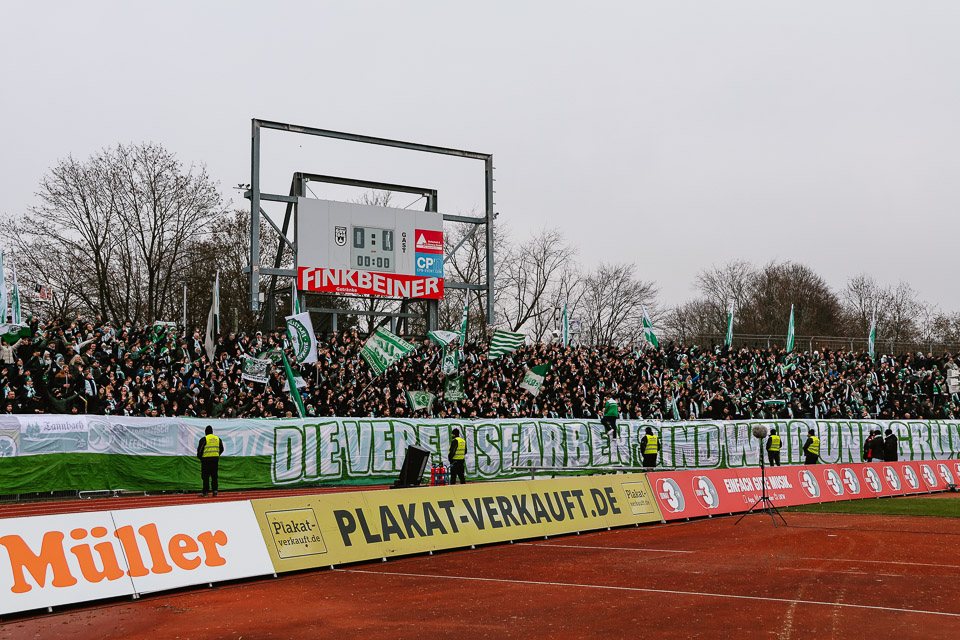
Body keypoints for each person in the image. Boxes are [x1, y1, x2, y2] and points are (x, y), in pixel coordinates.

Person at [197, 424, 223, 497]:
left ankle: (205, 492)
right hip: (215, 460)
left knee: (205, 477)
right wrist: (216, 454)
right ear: (212, 432)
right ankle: (215, 491)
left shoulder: (204, 439)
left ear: (205, 432)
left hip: (206, 460)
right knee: (214, 476)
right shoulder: (218, 439)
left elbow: (200, 451)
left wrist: (200, 457)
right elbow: (222, 449)